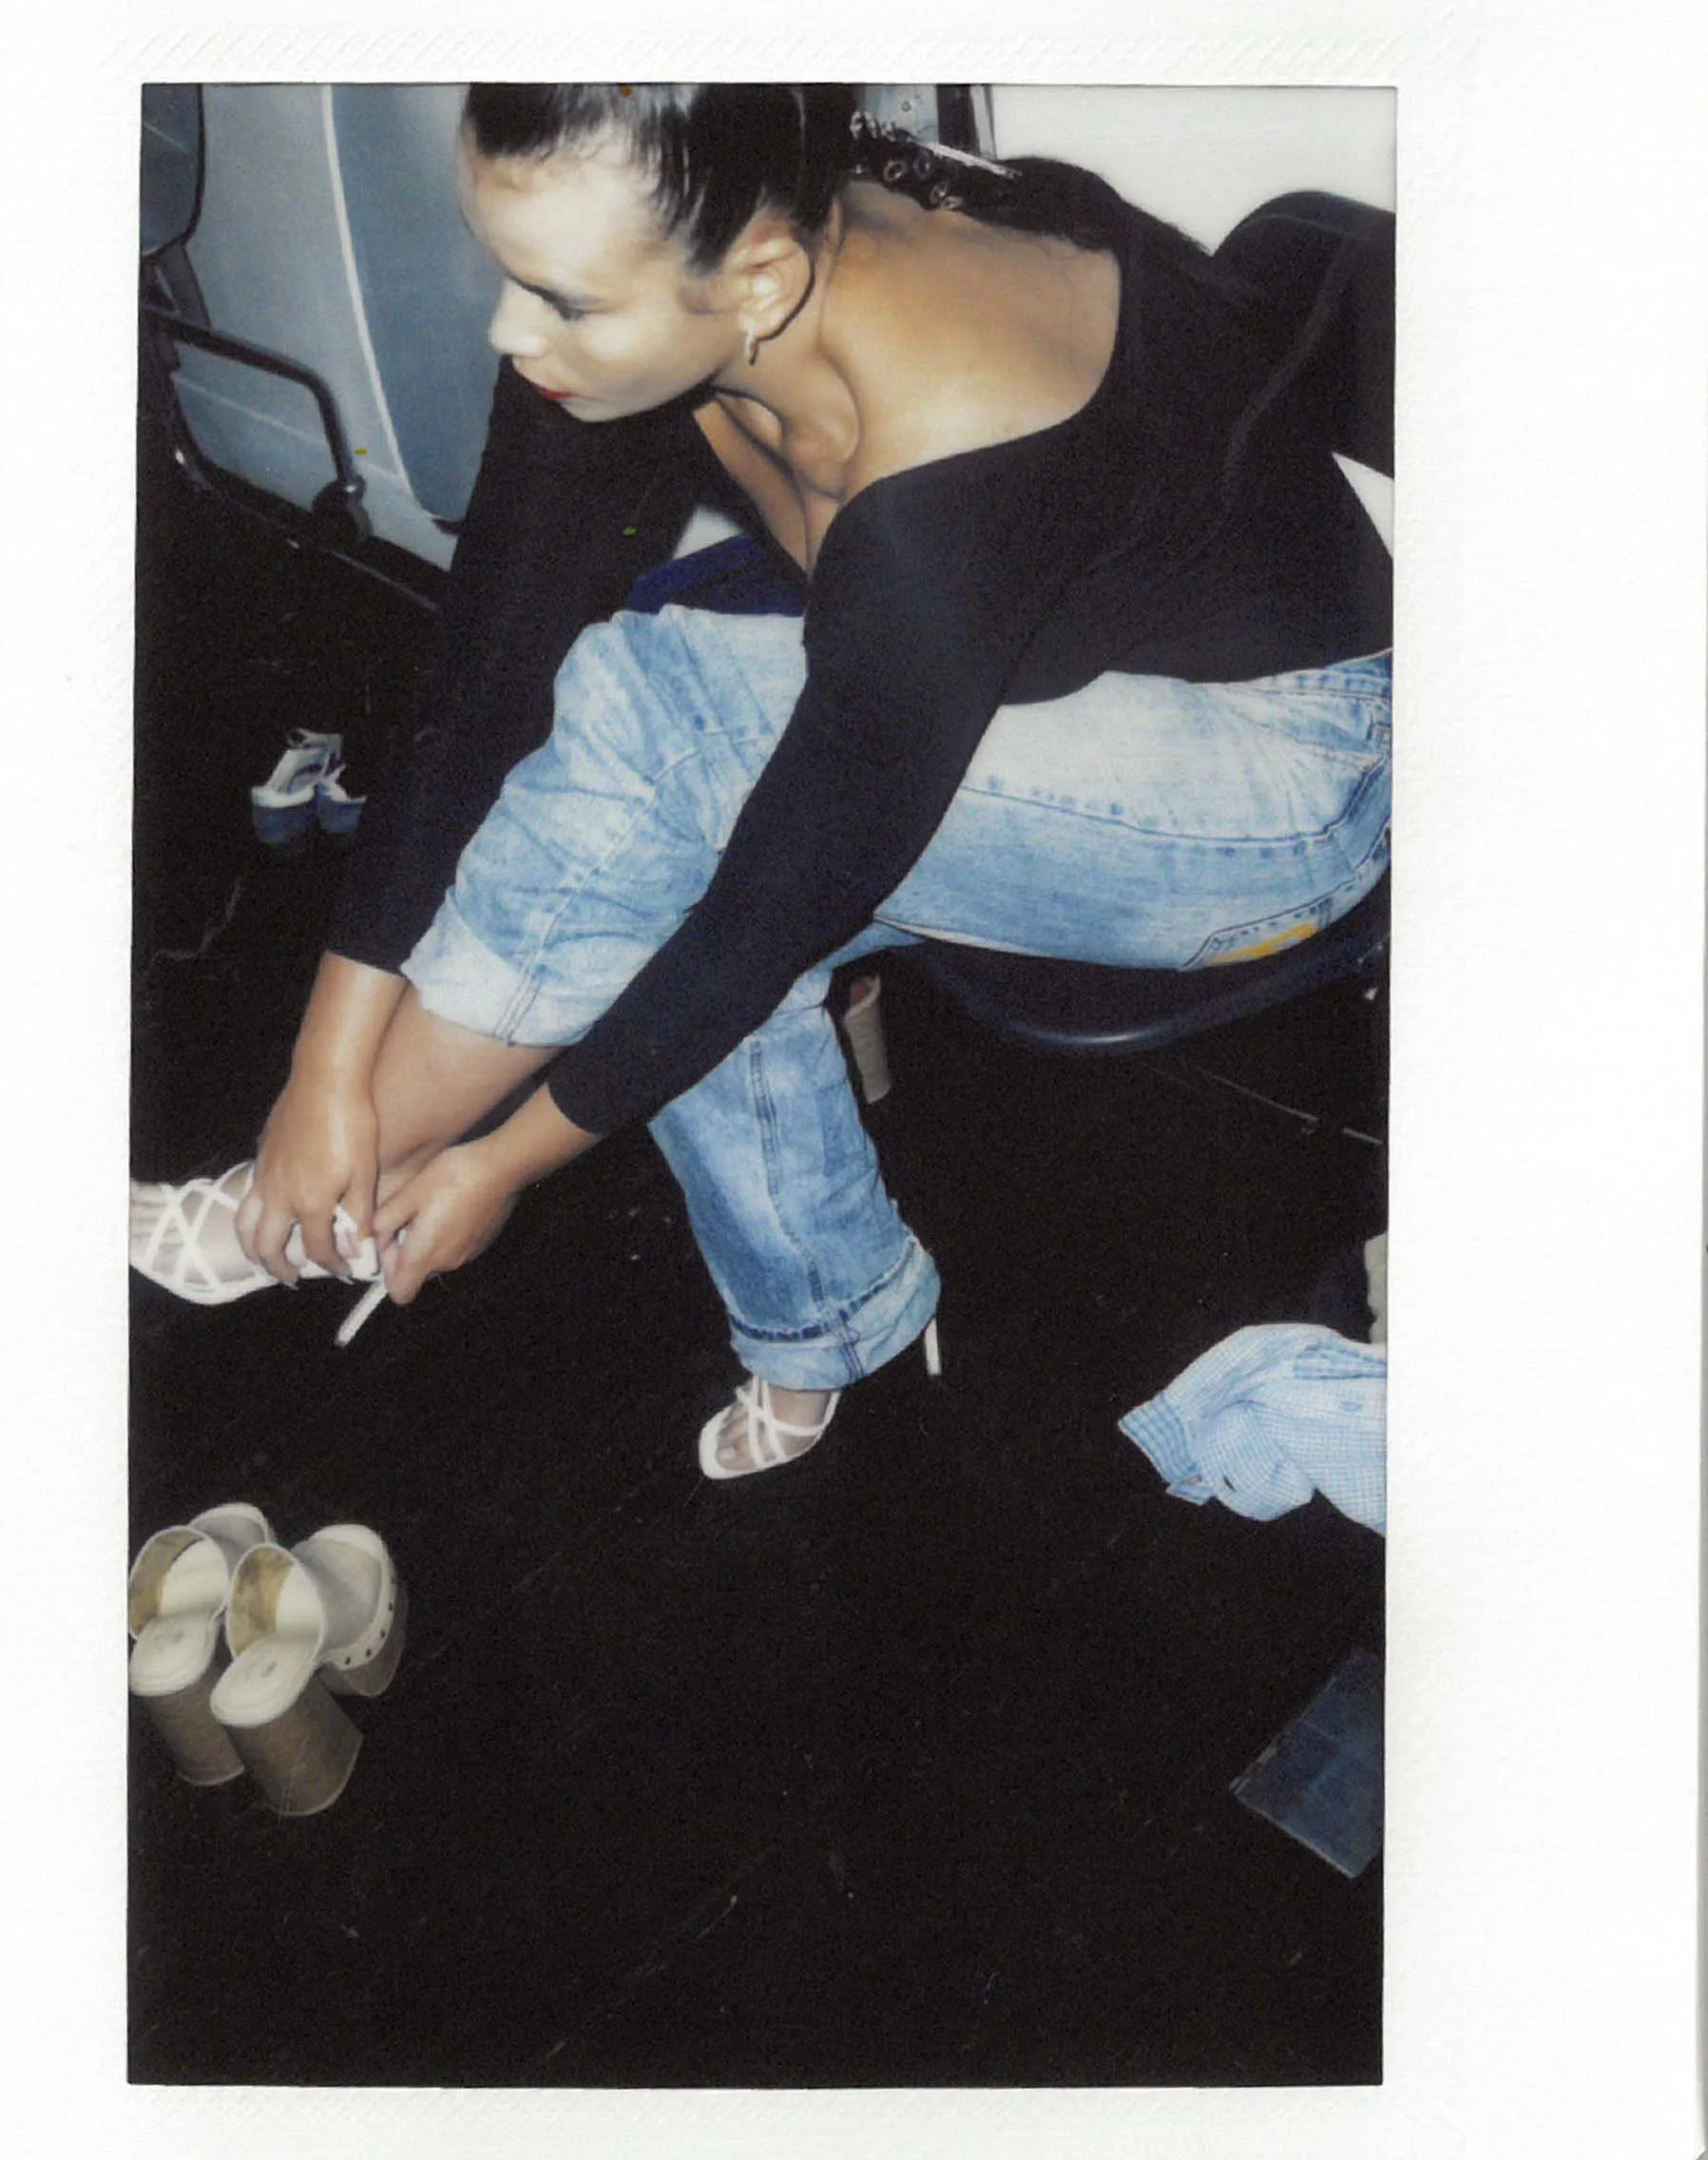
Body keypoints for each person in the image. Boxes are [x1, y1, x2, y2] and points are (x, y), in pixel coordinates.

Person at [131, 82, 1392, 1480]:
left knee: (671, 737)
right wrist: (320, 1066)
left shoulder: (951, 444)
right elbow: (481, 679)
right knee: (659, 780)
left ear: (761, 281)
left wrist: (499, 1166)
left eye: (557, 301)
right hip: (1019, 679)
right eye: (511, 276)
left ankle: (291, 1214)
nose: (509, 329)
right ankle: (819, 1316)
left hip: (1287, 776)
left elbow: (788, 892)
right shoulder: (663, 287)